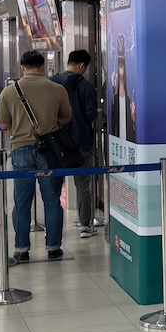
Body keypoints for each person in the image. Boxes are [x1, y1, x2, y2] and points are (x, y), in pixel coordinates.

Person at [0, 50, 72, 261]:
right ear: (42, 66)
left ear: (22, 67)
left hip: (20, 150)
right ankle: (53, 247)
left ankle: (22, 249)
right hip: (50, 151)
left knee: (22, 202)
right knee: (51, 200)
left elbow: (2, 124)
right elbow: (66, 118)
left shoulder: (9, 92)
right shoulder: (58, 89)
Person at [54, 49, 101, 237]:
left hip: (56, 141)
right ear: (82, 66)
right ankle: (85, 226)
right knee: (83, 185)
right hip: (81, 140)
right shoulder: (86, 86)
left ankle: (54, 232)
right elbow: (90, 114)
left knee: (53, 186)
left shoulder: (52, 82)